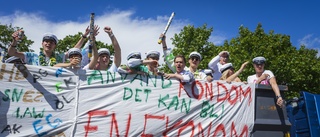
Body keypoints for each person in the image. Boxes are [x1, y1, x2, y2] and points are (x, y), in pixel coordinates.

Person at [8, 28, 91, 66]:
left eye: (51, 42)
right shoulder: (32, 56)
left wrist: (84, 36)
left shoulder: (59, 57)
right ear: (42, 44)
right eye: (46, 42)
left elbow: (74, 49)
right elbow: (12, 53)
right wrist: (14, 41)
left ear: (55, 46)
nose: (48, 44)